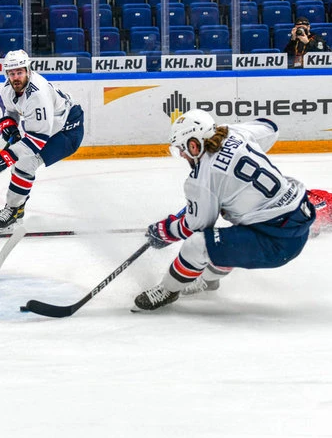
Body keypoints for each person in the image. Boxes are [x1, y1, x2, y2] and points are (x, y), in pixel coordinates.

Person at [134, 109, 316, 311]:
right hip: (299, 215)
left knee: (197, 245)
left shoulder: (202, 180)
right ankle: (208, 280)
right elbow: (269, 127)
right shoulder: (232, 133)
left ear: (193, 145)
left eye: (182, 149)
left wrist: (164, 231)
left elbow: (194, 226)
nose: (183, 154)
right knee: (225, 238)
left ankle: (167, 290)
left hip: (276, 244)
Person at [0, 49, 84, 234]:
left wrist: (5, 158)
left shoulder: (37, 95)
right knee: (20, 162)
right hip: (51, 128)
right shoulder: (7, 88)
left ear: (28, 70)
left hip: (68, 130)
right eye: (12, 73)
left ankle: (14, 210)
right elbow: (12, 110)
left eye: (20, 72)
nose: (16, 77)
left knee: (25, 163)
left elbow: (37, 139)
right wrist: (10, 124)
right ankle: (17, 207)